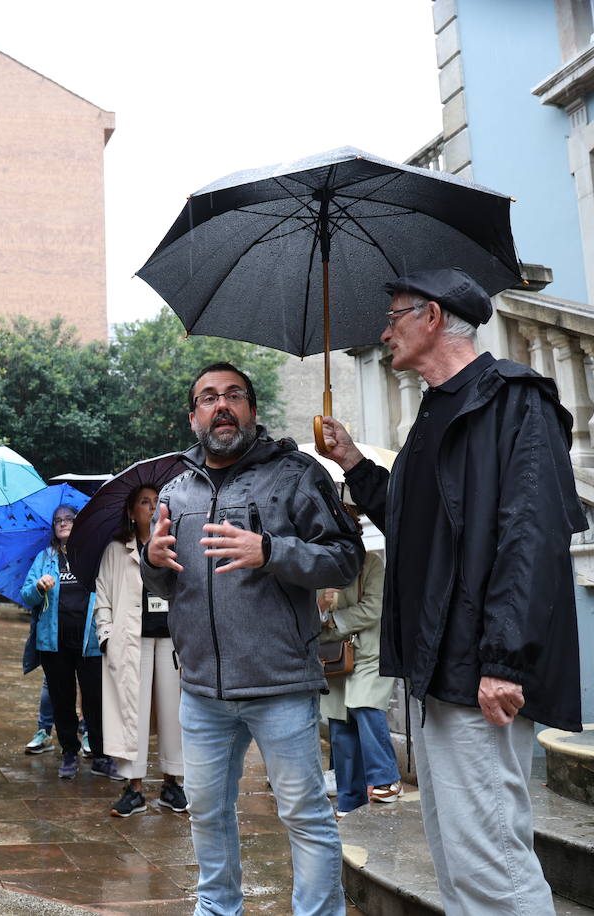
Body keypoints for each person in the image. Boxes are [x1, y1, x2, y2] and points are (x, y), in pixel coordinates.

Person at [321, 267, 586, 915]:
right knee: (460, 860)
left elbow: (533, 538)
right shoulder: (435, 414)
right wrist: (355, 463)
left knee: (493, 860)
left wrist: (504, 661)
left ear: (432, 317)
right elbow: (413, 530)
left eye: (393, 317)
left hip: (480, 669)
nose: (384, 333)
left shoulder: (514, 402)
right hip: (438, 667)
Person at [144, 361, 363, 916]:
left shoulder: (295, 474)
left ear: (252, 409)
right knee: (207, 811)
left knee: (304, 814)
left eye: (234, 395)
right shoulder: (174, 487)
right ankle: (218, 909)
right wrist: (152, 563)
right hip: (201, 690)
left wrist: (272, 551)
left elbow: (345, 559)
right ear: (193, 416)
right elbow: (167, 582)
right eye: (209, 398)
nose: (222, 405)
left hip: (280, 684)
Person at [94, 484, 187, 817]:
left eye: (155, 501)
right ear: (132, 512)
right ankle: (133, 788)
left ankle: (172, 785)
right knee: (131, 711)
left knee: (172, 712)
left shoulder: (175, 545)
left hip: (170, 639)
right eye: (144, 502)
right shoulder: (116, 550)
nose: (151, 507)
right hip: (131, 641)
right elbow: (102, 595)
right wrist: (106, 634)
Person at [19, 505, 112, 780]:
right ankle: (69, 752)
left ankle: (101, 753)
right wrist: (39, 587)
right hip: (54, 642)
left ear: (78, 523)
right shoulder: (44, 558)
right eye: (58, 520)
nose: (63, 523)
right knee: (62, 700)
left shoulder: (94, 556)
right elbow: (26, 595)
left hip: (89, 641)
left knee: (95, 700)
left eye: (69, 519)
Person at [315, 518, 399, 819]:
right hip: (335, 659)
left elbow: (373, 609)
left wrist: (332, 620)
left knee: (366, 710)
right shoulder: (321, 568)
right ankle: (350, 801)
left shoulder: (372, 564)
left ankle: (385, 779)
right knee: (340, 728)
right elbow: (313, 615)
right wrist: (322, 608)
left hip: (367, 654)